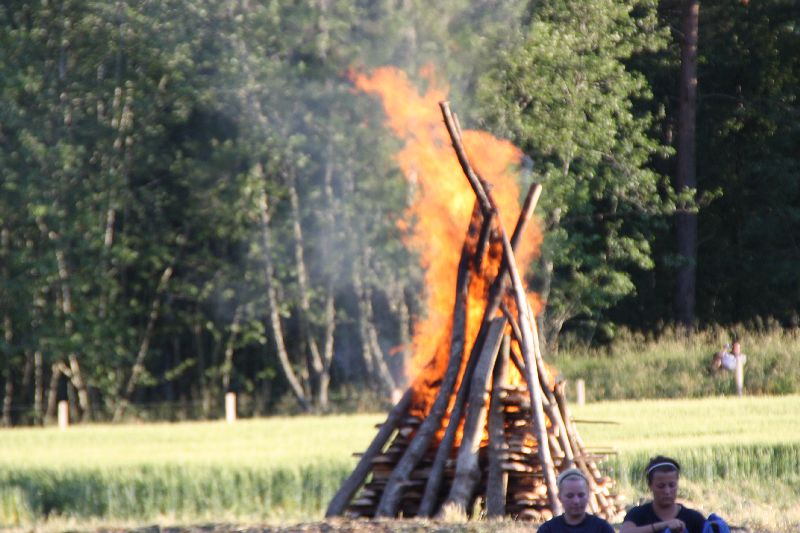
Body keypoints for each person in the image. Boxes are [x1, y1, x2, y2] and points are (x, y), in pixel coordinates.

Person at [620, 456, 705, 533]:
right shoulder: (637, 515)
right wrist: (664, 525)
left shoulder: (694, 518)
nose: (667, 491)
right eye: (661, 486)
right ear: (650, 486)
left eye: (672, 485)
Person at [537, 468, 614, 533]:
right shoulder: (548, 530)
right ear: (559, 497)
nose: (576, 501)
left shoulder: (602, 529)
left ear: (588, 495)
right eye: (570, 496)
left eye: (581, 495)